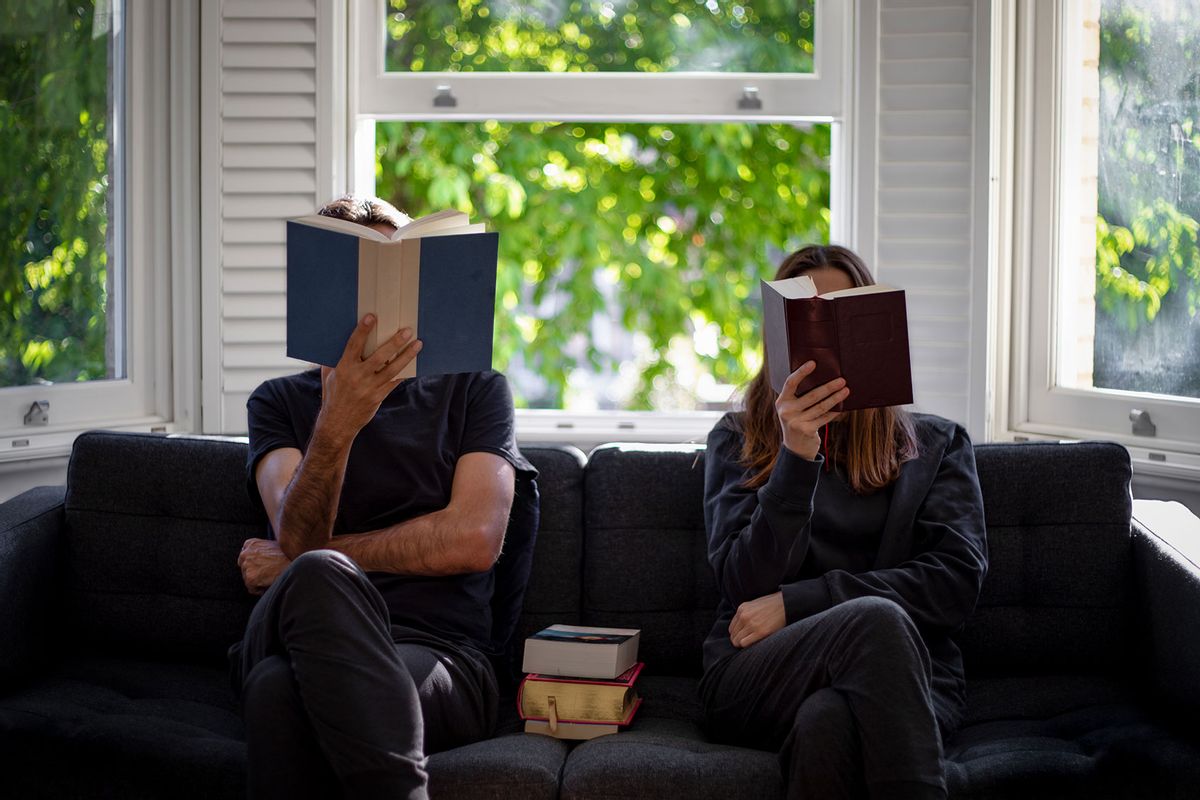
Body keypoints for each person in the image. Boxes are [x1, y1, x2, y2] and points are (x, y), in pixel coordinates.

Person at [230, 195, 538, 800]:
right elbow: (298, 535)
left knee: (275, 691)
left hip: (440, 651)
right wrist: (338, 423)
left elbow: (476, 540)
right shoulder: (277, 402)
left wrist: (310, 559)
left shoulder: (478, 390)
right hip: (291, 629)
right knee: (316, 571)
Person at [699, 244, 988, 800]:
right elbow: (739, 587)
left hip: (913, 679)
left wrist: (800, 601)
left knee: (828, 722)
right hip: (757, 673)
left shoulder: (937, 446)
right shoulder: (737, 439)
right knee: (875, 619)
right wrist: (795, 458)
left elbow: (955, 584)